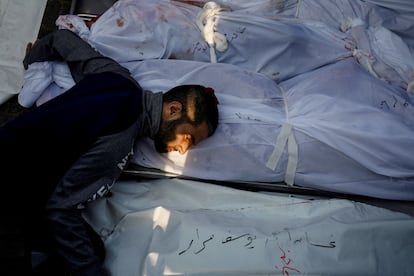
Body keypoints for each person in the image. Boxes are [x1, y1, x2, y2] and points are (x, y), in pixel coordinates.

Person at [0, 29, 219, 276]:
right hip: (11, 195)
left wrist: (34, 63)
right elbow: (61, 209)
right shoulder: (120, 139)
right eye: (188, 138)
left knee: (92, 249)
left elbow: (61, 39)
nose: (182, 149)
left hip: (9, 146)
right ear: (173, 109)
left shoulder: (118, 78)